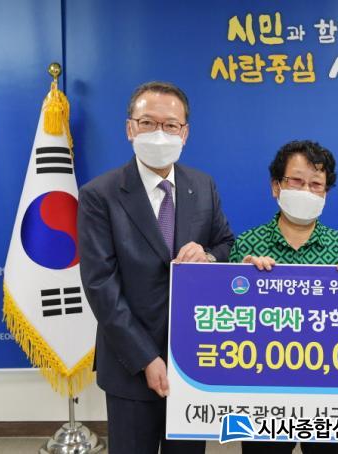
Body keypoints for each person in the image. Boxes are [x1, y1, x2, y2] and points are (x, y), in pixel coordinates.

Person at [78, 81, 234, 454]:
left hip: (192, 359)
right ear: (130, 128)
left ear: (185, 133)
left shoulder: (202, 185)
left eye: (170, 125)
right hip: (129, 364)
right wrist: (146, 358)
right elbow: (101, 285)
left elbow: (226, 244)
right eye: (148, 122)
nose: (159, 133)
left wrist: (208, 256)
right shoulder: (99, 195)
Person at [229, 140, 338, 454]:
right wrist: (242, 278)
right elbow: (226, 316)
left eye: (316, 184)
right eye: (296, 181)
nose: (306, 190)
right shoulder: (247, 244)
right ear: (276, 186)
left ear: (325, 193)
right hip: (262, 389)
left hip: (328, 390)